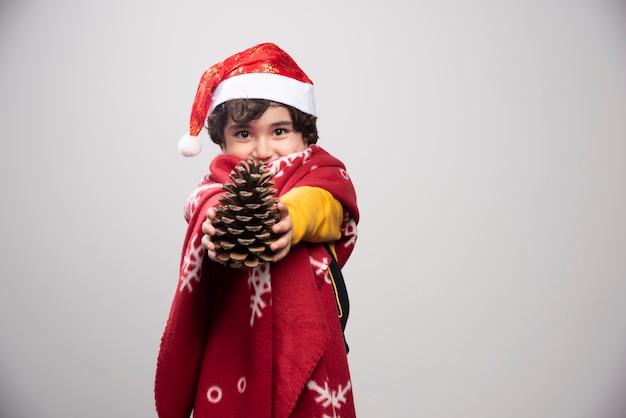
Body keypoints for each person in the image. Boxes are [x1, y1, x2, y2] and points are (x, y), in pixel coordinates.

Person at [155, 42, 359, 418]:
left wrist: (291, 217)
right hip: (236, 341)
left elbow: (327, 209)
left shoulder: (319, 178)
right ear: (223, 141)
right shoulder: (215, 188)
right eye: (245, 134)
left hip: (307, 335)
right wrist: (219, 227)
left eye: (279, 131)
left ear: (305, 134)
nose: (263, 150)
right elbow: (205, 206)